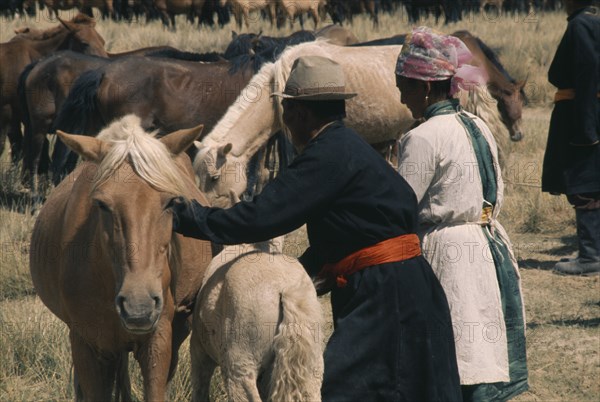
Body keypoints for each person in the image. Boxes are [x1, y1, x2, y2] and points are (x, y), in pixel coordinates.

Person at [170, 55, 462, 401]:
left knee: (343, 390)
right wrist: (300, 275)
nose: (287, 125)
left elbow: (261, 217)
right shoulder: (350, 148)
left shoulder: (327, 155)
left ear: (301, 113)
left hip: (387, 296)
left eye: (288, 115)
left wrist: (188, 217)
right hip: (403, 286)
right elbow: (349, 232)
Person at [395, 27, 529, 402]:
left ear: (424, 88)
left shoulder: (422, 137)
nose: (400, 95)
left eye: (403, 85)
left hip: (449, 257)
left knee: (451, 358)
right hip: (487, 247)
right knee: (478, 351)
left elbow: (402, 205)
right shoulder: (479, 126)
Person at [542, 0, 600, 275]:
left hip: (583, 114)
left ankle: (590, 257)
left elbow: (588, 74)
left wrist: (586, 128)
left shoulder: (582, 24)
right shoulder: (588, 21)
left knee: (585, 183)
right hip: (586, 112)